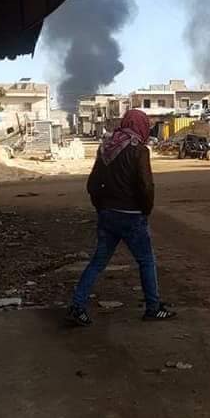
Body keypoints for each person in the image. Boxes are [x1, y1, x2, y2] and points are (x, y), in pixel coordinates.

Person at [67, 109, 175, 327]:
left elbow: (92, 185)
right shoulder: (139, 150)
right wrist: (145, 210)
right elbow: (146, 186)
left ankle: (77, 305)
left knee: (98, 262)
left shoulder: (106, 147)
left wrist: (101, 208)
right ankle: (153, 308)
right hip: (132, 215)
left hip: (108, 215)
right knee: (146, 261)